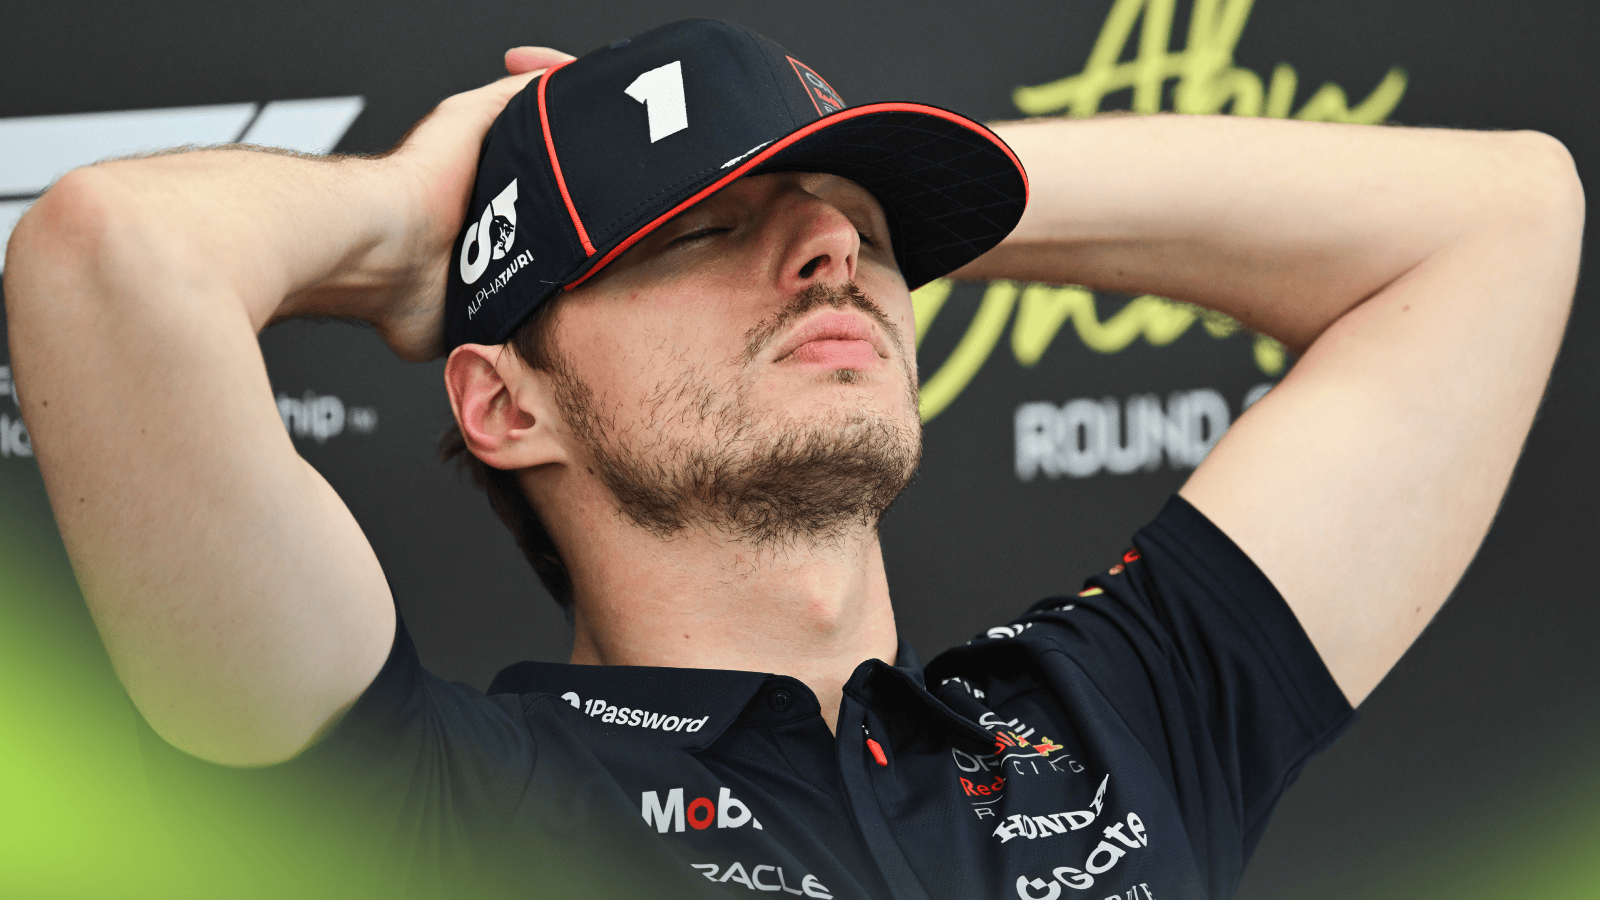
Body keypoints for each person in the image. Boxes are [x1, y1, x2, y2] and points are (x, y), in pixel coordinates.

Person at [3, 17, 1582, 900]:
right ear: (505, 403)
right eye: (704, 231)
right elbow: (105, 259)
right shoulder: (424, 810)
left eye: (864, 233)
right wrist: (417, 219)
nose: (833, 249)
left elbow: (1509, 216)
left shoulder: (1109, 717)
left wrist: (926, 190)